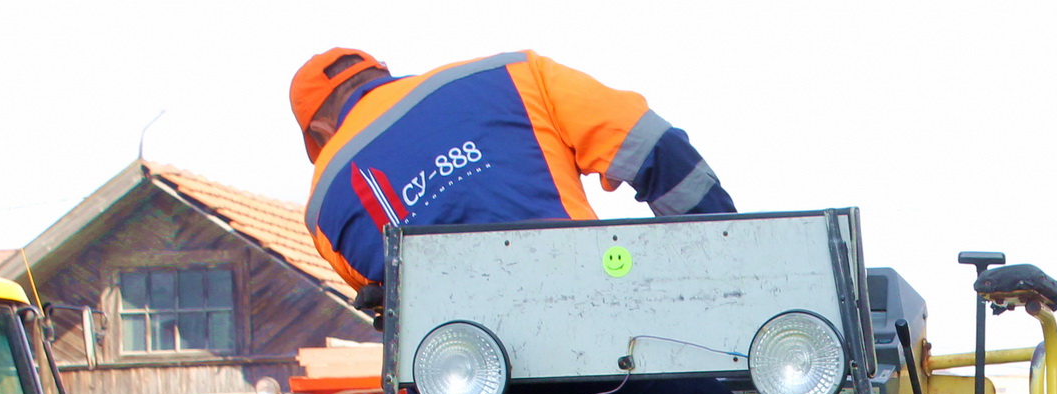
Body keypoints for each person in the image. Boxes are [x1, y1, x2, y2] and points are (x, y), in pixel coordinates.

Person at [290, 48, 736, 292]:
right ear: (382, 73)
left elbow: (384, 306)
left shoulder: (323, 207)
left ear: (320, 132)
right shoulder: (515, 75)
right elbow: (654, 147)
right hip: (602, 338)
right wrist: (725, 267)